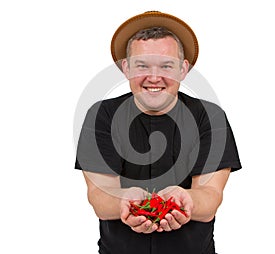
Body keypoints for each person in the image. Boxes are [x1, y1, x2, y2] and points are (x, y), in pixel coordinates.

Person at [75, 11, 242, 254]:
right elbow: (99, 197)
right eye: (142, 66)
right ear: (126, 68)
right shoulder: (102, 115)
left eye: (166, 66)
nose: (154, 77)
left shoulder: (210, 116)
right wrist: (125, 200)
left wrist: (187, 200)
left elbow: (210, 197)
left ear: (183, 69)